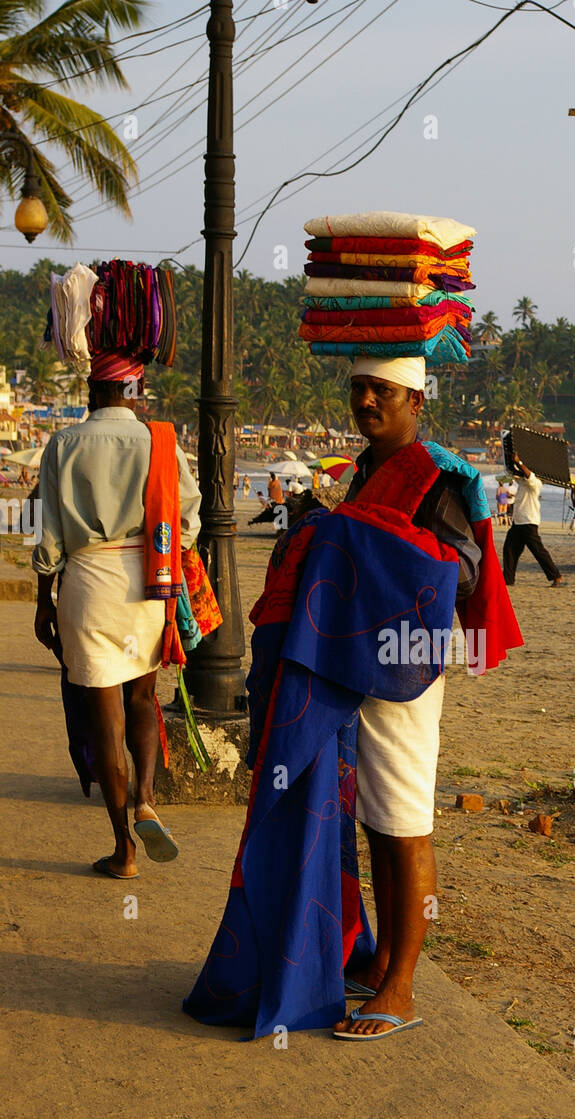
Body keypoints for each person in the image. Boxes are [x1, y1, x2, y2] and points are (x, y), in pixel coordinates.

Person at [183, 355, 522, 1041]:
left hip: (401, 670)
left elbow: (458, 572)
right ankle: (383, 959)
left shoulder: (439, 476)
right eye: (360, 389)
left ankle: (404, 983)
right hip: (349, 663)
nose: (368, 400)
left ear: (415, 398)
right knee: (371, 817)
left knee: (405, 819)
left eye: (383, 391)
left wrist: (349, 538)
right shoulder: (366, 470)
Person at [32, 352, 201, 878]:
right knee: (144, 699)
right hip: (148, 583)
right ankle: (147, 798)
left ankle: (123, 850)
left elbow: (50, 533)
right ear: (137, 390)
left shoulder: (64, 444)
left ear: (92, 390)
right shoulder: (161, 442)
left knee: (105, 720)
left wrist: (44, 600)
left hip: (87, 584)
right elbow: (189, 522)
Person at [502, 454, 565, 586]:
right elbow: (514, 473)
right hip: (518, 523)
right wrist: (511, 461)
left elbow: (528, 475)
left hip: (529, 523)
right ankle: (507, 579)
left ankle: (556, 576)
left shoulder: (536, 483)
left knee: (538, 551)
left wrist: (519, 462)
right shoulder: (522, 483)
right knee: (509, 550)